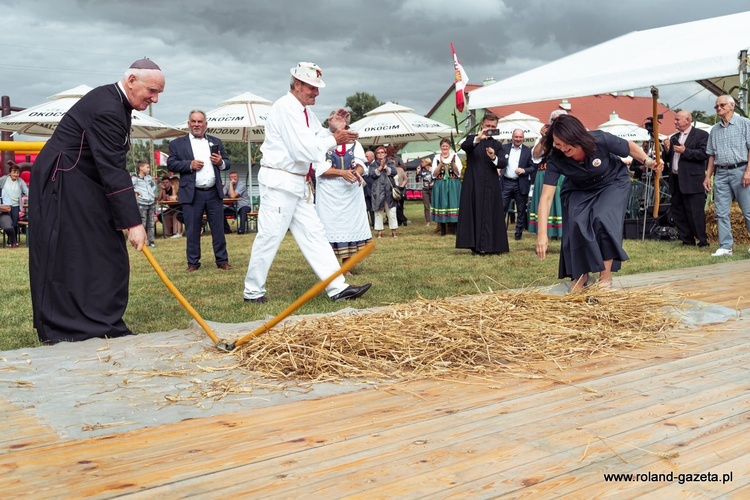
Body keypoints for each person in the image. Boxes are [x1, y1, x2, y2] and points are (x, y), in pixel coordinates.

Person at [29, 58, 164, 343]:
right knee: (78, 252)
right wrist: (133, 223)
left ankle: (96, 321)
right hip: (64, 179)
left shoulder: (117, 103)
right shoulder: (108, 109)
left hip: (81, 180)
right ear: (131, 81)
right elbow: (113, 169)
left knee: (104, 250)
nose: (154, 99)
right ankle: (76, 325)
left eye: (159, 93)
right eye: (151, 91)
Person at [242, 61, 371, 303]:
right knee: (270, 237)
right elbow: (303, 151)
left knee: (315, 235)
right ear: (298, 84)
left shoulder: (303, 111)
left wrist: (329, 130)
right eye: (312, 87)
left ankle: (337, 287)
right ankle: (253, 291)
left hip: (296, 184)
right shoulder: (285, 108)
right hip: (281, 183)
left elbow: (313, 138)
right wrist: (335, 138)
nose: (317, 93)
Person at [535, 114, 663, 291]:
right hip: (578, 188)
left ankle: (605, 277)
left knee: (602, 219)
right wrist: (542, 234)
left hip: (612, 181)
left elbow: (629, 147)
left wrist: (648, 161)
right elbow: (546, 197)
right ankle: (580, 276)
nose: (562, 148)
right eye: (558, 144)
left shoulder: (599, 140)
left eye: (566, 143)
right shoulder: (555, 157)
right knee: (577, 225)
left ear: (577, 137)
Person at [167, 110, 232, 271]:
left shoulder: (216, 142)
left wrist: (220, 162)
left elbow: (227, 163)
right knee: (192, 230)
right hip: (192, 193)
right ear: (188, 124)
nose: (197, 125)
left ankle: (222, 261)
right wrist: (189, 165)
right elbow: (171, 164)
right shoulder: (177, 144)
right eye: (193, 121)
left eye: (200, 122)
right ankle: (193, 263)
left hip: (213, 192)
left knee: (218, 229)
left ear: (205, 124)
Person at [315, 112, 372, 269]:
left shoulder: (355, 144)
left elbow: (361, 164)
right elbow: (318, 167)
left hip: (351, 193)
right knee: (329, 228)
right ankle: (330, 268)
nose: (344, 128)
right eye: (340, 124)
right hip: (329, 194)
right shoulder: (323, 140)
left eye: (345, 125)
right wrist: (341, 173)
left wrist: (356, 172)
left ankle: (346, 267)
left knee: (350, 227)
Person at [456, 112, 509, 254]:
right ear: (482, 125)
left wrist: (493, 157)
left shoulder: (497, 144)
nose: (490, 128)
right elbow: (464, 146)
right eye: (488, 126)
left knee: (491, 212)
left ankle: (492, 246)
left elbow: (503, 162)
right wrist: (478, 139)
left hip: (491, 183)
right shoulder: (472, 139)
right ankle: (475, 245)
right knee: (474, 211)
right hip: (473, 182)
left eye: (493, 126)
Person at [704, 95, 750, 256]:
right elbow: (711, 155)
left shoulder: (745, 124)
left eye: (722, 105)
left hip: (741, 169)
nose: (718, 109)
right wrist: (707, 176)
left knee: (748, 210)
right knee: (721, 211)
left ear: (732, 105)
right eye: (716, 107)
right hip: (721, 172)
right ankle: (725, 247)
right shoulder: (714, 130)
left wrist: (748, 171)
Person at [662, 110, 709, 247]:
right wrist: (666, 150)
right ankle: (687, 240)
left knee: (695, 212)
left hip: (692, 180)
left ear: (687, 120)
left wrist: (685, 151)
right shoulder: (674, 137)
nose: (675, 122)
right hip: (676, 179)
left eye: (677, 119)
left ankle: (702, 240)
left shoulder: (701, 135)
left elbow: (704, 154)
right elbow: (668, 158)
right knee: (679, 211)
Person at [529, 110, 567, 239]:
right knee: (545, 201)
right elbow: (536, 155)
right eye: (554, 121)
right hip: (544, 172)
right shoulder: (544, 139)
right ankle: (544, 233)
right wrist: (544, 137)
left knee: (562, 202)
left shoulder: (569, 136)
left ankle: (563, 232)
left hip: (563, 173)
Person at [501, 129, 536, 240]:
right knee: (502, 208)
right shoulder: (504, 148)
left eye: (520, 137)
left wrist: (524, 170)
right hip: (506, 182)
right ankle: (500, 232)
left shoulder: (527, 151)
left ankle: (518, 234)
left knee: (521, 209)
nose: (518, 139)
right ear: (512, 137)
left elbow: (533, 167)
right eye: (516, 137)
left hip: (520, 183)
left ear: (523, 138)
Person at [430, 138, 462, 236]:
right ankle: (443, 230)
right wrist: (440, 163)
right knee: (442, 204)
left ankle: (455, 230)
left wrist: (452, 163)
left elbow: (458, 173)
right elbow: (434, 174)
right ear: (440, 147)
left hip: (453, 183)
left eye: (446, 146)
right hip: (440, 183)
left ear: (449, 147)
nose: (445, 148)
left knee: (454, 204)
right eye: (443, 146)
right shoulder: (436, 157)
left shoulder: (455, 156)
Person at [369, 145, 399, 238]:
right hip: (378, 192)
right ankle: (379, 232)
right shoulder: (373, 165)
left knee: (392, 212)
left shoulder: (390, 162)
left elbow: (394, 172)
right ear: (376, 154)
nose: (380, 154)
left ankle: (394, 231)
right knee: (378, 212)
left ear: (385, 154)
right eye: (378, 152)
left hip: (389, 191)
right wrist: (380, 167)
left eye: (382, 152)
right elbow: (372, 175)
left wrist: (385, 167)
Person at [0, 161, 29, 248]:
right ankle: (11, 241)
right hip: (4, 206)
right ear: (10, 172)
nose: (16, 174)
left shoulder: (20, 181)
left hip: (15, 205)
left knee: (14, 223)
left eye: (17, 173)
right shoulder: (3, 179)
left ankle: (12, 241)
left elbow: (27, 191)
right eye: (14, 172)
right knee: (8, 223)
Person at [132, 159, 157, 247]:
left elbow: (154, 185)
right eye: (147, 167)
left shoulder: (149, 178)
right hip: (142, 203)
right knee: (143, 222)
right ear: (141, 168)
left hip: (150, 202)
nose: (149, 169)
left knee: (151, 223)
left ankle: (151, 241)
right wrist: (138, 194)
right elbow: (131, 188)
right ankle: (142, 240)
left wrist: (151, 193)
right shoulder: (135, 179)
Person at [389, 145, 409, 227]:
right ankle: (401, 219)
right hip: (391, 189)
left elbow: (405, 178)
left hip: (399, 189)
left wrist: (402, 185)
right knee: (394, 206)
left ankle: (402, 219)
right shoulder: (388, 170)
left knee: (399, 206)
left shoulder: (400, 169)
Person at [416, 157, 434, 225]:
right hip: (425, 189)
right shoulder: (422, 171)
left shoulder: (433, 169)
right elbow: (417, 180)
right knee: (426, 206)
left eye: (422, 162)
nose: (421, 163)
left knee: (434, 205)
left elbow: (436, 178)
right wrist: (417, 172)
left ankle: (436, 219)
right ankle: (428, 221)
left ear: (427, 163)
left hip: (432, 189)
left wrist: (433, 182)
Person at [363, 150, 375, 227]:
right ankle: (367, 223)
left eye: (367, 156)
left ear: (372, 157)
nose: (365, 158)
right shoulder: (364, 165)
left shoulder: (376, 165)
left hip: (373, 189)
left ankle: (375, 223)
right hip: (365, 189)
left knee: (373, 208)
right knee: (367, 208)